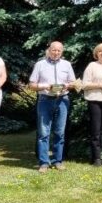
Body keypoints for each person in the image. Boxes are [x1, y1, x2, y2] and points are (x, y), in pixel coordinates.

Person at [29, 41, 76, 172]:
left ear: (62, 52)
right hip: (45, 100)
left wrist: (68, 86)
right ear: (49, 50)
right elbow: (31, 84)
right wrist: (45, 86)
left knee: (60, 133)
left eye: (59, 51)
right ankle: (44, 162)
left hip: (62, 100)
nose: (56, 52)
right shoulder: (40, 64)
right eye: (53, 50)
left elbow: (73, 82)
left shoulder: (67, 65)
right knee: (43, 133)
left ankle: (57, 161)